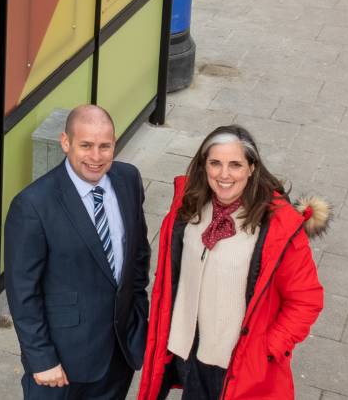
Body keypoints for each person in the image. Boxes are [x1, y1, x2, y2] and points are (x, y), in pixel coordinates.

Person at [137, 126, 330, 400]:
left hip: (238, 364)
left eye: (235, 165)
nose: (224, 175)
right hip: (188, 352)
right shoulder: (188, 204)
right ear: (204, 166)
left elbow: (306, 300)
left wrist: (268, 348)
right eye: (215, 163)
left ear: (252, 167)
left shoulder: (279, 226)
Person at [6, 105, 149, 399]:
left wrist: (138, 318)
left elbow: (138, 255)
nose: (96, 157)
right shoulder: (33, 205)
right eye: (85, 145)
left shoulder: (129, 179)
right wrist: (42, 359)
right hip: (61, 364)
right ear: (65, 142)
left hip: (118, 355)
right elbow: (22, 293)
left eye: (104, 146)